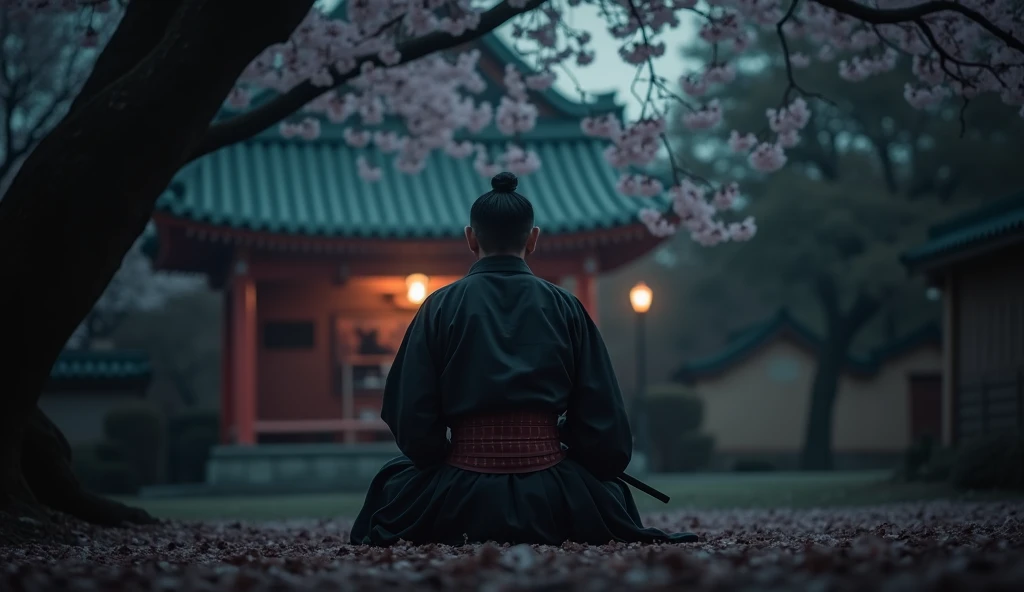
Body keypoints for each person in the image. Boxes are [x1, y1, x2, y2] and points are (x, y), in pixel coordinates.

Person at [349, 172, 697, 546]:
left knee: (391, 485)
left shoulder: (438, 306)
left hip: (455, 499)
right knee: (611, 493)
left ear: (470, 238)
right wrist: (568, 444)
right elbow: (604, 427)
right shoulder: (567, 307)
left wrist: (440, 453)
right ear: (533, 239)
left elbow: (410, 415)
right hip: (555, 499)